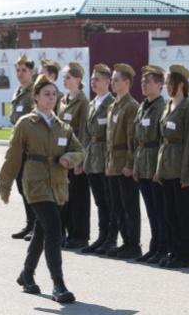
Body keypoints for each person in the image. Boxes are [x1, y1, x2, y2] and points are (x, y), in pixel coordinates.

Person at [0, 74, 84, 303]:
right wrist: (4, 186)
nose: (51, 97)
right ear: (36, 97)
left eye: (54, 94)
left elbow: (79, 151)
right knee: (54, 229)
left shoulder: (62, 126)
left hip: (58, 185)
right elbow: (13, 157)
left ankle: (26, 274)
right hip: (36, 184)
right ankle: (58, 284)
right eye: (46, 94)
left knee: (42, 230)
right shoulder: (26, 124)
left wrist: (68, 158)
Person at [155, 64, 189, 269]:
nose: (166, 87)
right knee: (171, 214)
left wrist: (187, 174)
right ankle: (174, 251)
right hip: (168, 167)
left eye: (169, 84)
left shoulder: (188, 109)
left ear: (181, 85)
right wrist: (159, 170)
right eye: (166, 84)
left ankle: (185, 255)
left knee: (186, 215)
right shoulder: (168, 106)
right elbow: (162, 141)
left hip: (182, 168)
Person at [105, 63, 142, 259]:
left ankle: (133, 244)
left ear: (126, 83)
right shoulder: (113, 105)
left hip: (124, 163)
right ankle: (125, 241)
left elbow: (132, 139)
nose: (112, 83)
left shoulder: (131, 106)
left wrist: (129, 164)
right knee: (117, 207)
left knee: (129, 207)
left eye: (116, 80)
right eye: (112, 79)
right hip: (113, 163)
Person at [81, 64, 118, 255]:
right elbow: (86, 135)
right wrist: (83, 157)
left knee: (110, 201)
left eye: (97, 79)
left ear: (107, 82)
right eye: (92, 79)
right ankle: (102, 237)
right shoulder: (91, 104)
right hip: (92, 157)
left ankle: (111, 239)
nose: (93, 82)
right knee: (100, 202)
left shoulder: (112, 104)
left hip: (105, 156)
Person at [133, 65, 168, 264]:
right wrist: (136, 166)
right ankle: (154, 247)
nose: (143, 85)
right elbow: (137, 138)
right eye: (142, 81)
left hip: (155, 161)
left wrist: (159, 169)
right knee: (150, 210)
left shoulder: (162, 107)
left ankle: (163, 248)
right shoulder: (143, 106)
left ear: (159, 84)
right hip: (142, 162)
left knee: (160, 210)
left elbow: (163, 140)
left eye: (148, 82)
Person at [58, 62, 91, 249]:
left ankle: (80, 235)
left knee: (79, 198)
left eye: (68, 77)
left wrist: (80, 160)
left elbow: (84, 133)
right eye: (63, 77)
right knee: (66, 197)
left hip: (75, 155)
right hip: (63, 155)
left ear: (78, 79)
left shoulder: (83, 102)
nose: (64, 80)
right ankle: (69, 233)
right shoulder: (63, 101)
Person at [9, 55, 37, 241]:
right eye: (18, 70)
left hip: (31, 146)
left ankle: (37, 225)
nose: (20, 73)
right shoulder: (18, 92)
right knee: (21, 186)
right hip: (18, 146)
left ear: (32, 71)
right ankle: (30, 223)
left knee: (31, 187)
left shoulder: (35, 92)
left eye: (24, 70)